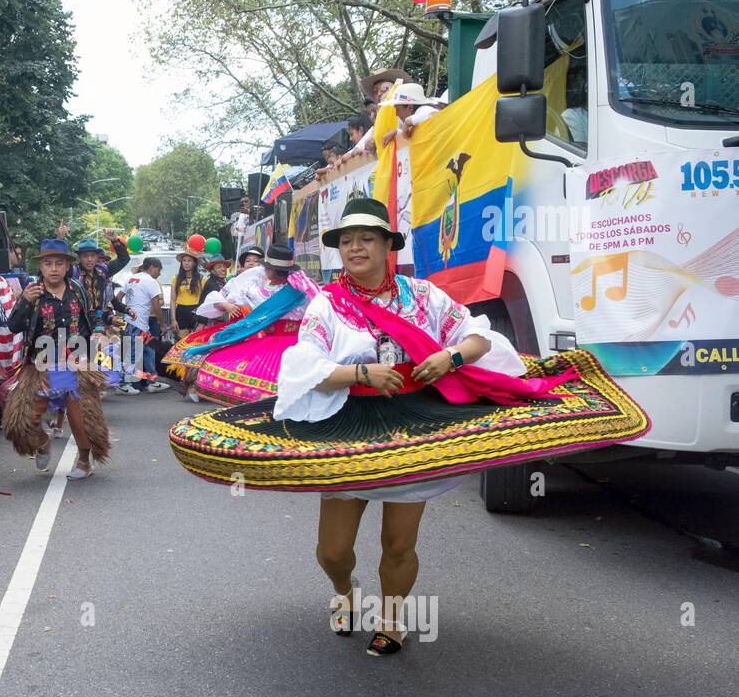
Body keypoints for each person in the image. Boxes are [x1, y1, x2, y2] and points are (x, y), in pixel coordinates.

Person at [169, 198, 648, 656]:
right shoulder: (326, 306)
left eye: (367, 239)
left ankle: (393, 618)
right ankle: (345, 592)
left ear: (387, 246)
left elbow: (480, 337)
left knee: (399, 543)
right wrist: (360, 373)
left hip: (417, 423)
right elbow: (303, 368)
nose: (356, 248)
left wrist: (450, 356)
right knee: (332, 551)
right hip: (346, 425)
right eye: (348, 240)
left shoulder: (423, 296)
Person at [1, 238, 110, 479]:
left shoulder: (77, 290)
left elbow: (93, 316)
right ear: (40, 267)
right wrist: (24, 303)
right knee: (20, 421)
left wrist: (100, 330)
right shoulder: (32, 294)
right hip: (40, 366)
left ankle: (84, 462)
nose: (53, 268)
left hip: (77, 364)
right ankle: (41, 442)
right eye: (48, 263)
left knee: (83, 419)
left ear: (67, 266)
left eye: (58, 263)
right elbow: (13, 326)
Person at [164, 243, 321, 406]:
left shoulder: (260, 290)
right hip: (294, 343)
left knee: (264, 381)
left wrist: (229, 303)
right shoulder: (305, 287)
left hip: (271, 343)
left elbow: (223, 299)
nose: (259, 268)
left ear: (272, 269)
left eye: (262, 264)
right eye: (250, 261)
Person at [118, 256, 170, 394]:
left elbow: (117, 298)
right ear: (152, 267)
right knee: (133, 354)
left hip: (131, 323)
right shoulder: (151, 281)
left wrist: (126, 311)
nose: (159, 273)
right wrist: (162, 324)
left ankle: (151, 381)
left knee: (148, 351)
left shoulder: (130, 279)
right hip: (139, 325)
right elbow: (157, 305)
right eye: (159, 270)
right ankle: (123, 384)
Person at [379, 82, 445, 146]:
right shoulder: (416, 118)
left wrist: (409, 121)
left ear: (410, 107)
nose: (396, 114)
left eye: (397, 109)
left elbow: (435, 115)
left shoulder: (424, 109)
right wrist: (396, 132)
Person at [169, 251, 205, 340]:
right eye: (184, 260)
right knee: (181, 342)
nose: (186, 263)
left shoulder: (202, 279)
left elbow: (206, 300)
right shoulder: (175, 279)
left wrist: (203, 321)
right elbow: (173, 300)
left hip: (196, 312)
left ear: (195, 263)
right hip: (181, 312)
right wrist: (173, 320)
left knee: (195, 342)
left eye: (189, 260)